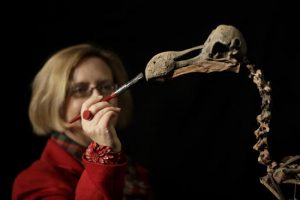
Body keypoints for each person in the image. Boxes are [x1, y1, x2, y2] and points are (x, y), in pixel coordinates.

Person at [12, 43, 154, 200]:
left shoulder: (134, 172)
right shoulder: (34, 181)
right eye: (80, 89)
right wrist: (103, 154)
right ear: (54, 102)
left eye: (105, 86)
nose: (98, 97)